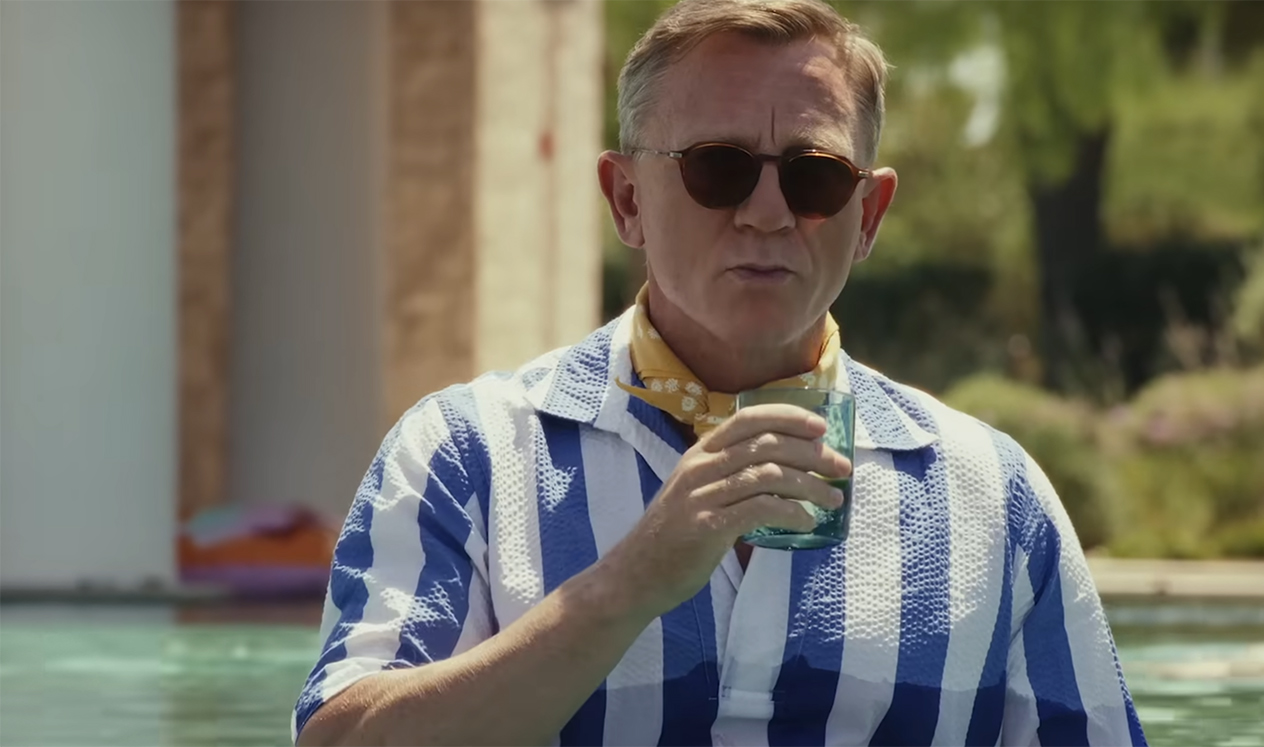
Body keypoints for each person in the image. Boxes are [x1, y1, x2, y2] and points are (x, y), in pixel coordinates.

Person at [293, 1, 1145, 745]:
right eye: (717, 168)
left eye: (814, 177)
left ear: (869, 214)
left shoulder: (993, 496)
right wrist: (629, 583)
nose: (767, 213)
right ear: (625, 199)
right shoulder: (467, 455)